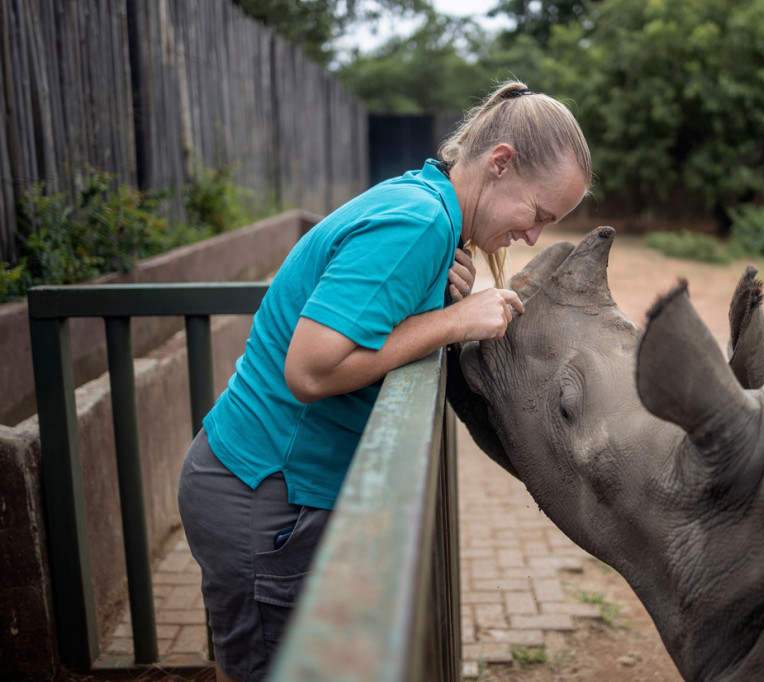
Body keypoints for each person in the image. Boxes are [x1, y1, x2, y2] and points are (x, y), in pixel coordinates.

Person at [177, 80, 592, 682]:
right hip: (266, 494)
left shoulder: (427, 207)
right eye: (538, 214)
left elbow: (368, 320)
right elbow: (311, 368)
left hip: (260, 483)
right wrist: (452, 320)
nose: (533, 237)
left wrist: (429, 305)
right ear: (500, 163)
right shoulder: (420, 222)